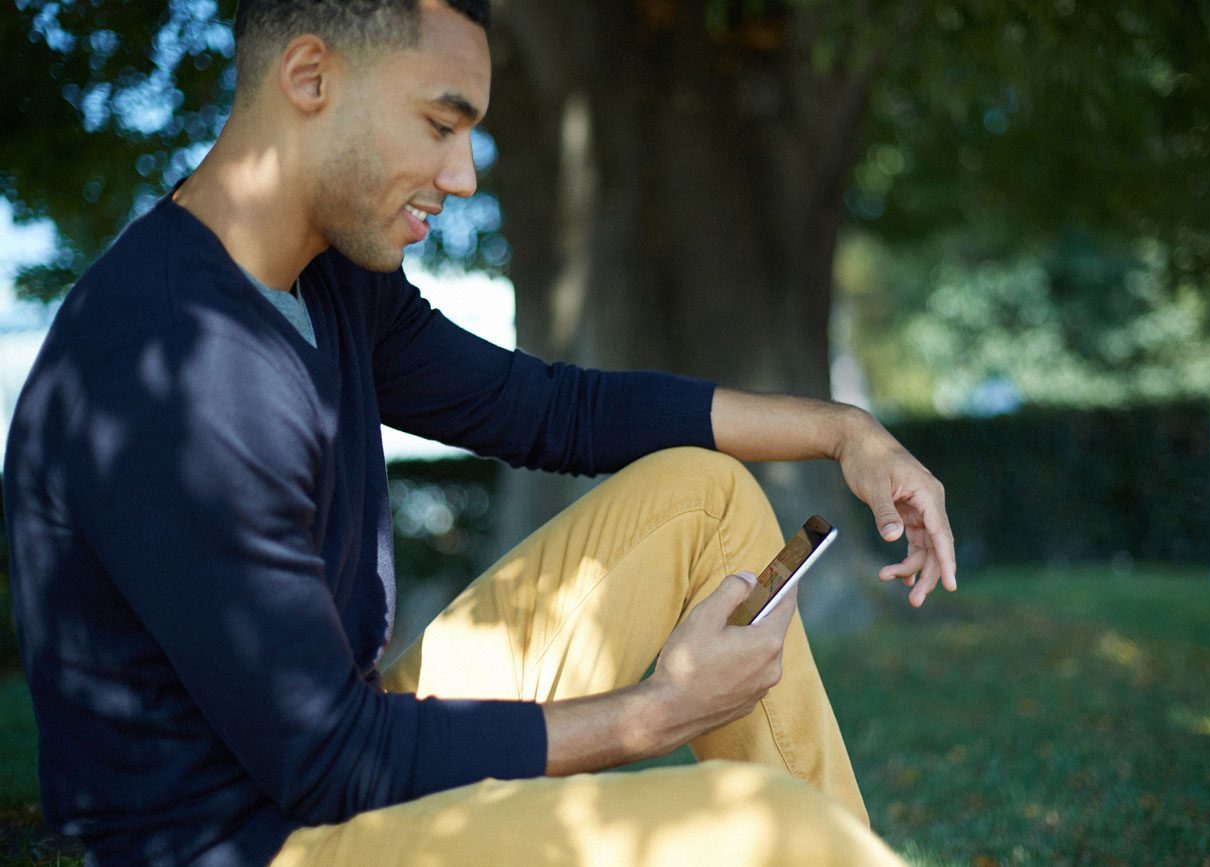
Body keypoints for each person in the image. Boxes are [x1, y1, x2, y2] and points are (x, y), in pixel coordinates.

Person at [3, 1, 957, 864]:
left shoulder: (329, 275)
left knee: (704, 500)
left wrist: (840, 430)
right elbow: (329, 762)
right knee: (769, 827)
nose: (461, 176)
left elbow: (550, 409)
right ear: (309, 78)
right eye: (439, 123)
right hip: (247, 841)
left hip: (332, 758)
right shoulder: (175, 369)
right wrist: (656, 714)